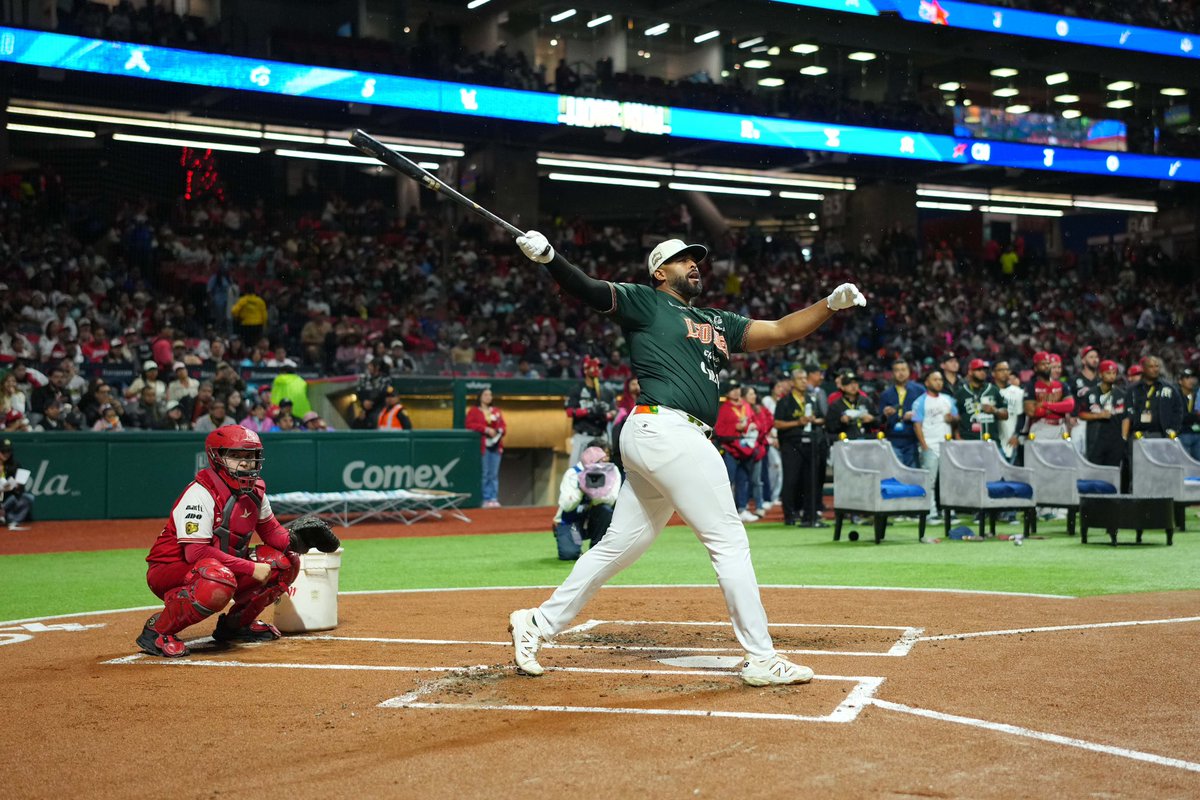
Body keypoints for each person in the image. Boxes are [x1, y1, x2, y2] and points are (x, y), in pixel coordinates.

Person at [507, 231, 865, 686]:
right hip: (666, 428)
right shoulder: (646, 302)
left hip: (658, 435)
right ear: (660, 271)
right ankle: (761, 657)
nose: (694, 264)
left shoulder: (717, 320)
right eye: (682, 260)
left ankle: (537, 622)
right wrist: (551, 258)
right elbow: (589, 288)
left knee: (619, 546)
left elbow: (779, 330)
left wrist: (828, 305)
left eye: (696, 259)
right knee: (728, 541)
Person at [137, 426, 301, 657]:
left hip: (218, 564)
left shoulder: (256, 491)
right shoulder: (200, 494)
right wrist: (251, 567)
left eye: (250, 457)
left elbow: (272, 532)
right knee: (217, 579)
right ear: (217, 457)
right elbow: (196, 553)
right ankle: (157, 631)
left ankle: (236, 626)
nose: (245, 463)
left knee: (285, 562)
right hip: (170, 570)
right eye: (236, 456)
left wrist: (298, 541)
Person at [553, 443, 621, 560]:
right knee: (569, 553)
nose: (603, 462)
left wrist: (594, 493)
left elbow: (611, 500)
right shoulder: (573, 474)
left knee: (606, 511)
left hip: (593, 520)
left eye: (606, 457)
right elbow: (566, 506)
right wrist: (581, 488)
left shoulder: (611, 471)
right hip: (573, 523)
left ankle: (597, 550)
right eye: (599, 460)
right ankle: (574, 543)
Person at [773, 379, 825, 527]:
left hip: (810, 443)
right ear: (792, 383)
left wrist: (814, 420)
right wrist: (798, 422)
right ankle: (789, 515)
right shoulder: (785, 401)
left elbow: (823, 418)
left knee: (810, 480)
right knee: (791, 480)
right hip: (791, 444)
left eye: (805, 379)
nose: (804, 382)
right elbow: (777, 423)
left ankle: (809, 514)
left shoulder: (811, 399)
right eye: (800, 379)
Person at [912, 369, 958, 524]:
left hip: (947, 446)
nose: (939, 382)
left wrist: (952, 418)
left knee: (949, 481)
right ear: (927, 382)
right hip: (930, 446)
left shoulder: (947, 399)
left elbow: (957, 417)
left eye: (940, 380)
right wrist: (924, 445)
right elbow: (917, 425)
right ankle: (930, 513)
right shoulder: (920, 401)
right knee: (929, 482)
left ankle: (949, 513)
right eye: (935, 379)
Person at [715, 381, 760, 522]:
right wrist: (736, 427)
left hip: (746, 449)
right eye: (732, 389)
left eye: (737, 388)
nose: (736, 391)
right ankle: (724, 512)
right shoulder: (724, 409)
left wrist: (753, 426)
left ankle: (743, 509)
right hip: (730, 449)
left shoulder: (746, 407)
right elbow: (718, 430)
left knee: (743, 480)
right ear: (727, 393)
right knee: (728, 482)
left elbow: (756, 422)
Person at [565, 355, 615, 465]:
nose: (598, 369)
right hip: (583, 436)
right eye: (595, 366)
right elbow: (569, 412)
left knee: (604, 470)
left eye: (599, 367)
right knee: (576, 471)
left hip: (601, 436)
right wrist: (589, 410)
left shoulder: (606, 391)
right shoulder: (577, 389)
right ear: (586, 369)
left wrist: (606, 415)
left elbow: (614, 411)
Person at [1078, 360, 1127, 468]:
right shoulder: (1091, 393)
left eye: (1114, 373)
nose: (1111, 376)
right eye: (1108, 373)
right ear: (1101, 374)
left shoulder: (1122, 394)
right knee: (1095, 471)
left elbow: (1126, 418)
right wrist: (1099, 415)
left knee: (1113, 471)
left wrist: (1124, 438)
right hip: (1096, 440)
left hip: (1115, 441)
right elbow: (1081, 414)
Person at [878, 358, 923, 467]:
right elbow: (879, 420)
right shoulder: (886, 394)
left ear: (909, 372)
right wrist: (885, 414)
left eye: (903, 369)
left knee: (913, 474)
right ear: (892, 374)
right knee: (896, 473)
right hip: (893, 439)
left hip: (913, 439)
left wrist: (915, 416)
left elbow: (927, 413)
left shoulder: (919, 390)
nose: (901, 373)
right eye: (897, 370)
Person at [465, 388, 506, 508]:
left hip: (496, 445)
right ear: (480, 397)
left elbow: (503, 426)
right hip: (483, 445)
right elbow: (469, 424)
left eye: (490, 395)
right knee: (485, 473)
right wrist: (486, 429)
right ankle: (485, 498)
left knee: (493, 474)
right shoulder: (474, 411)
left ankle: (493, 498)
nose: (489, 397)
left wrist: (499, 430)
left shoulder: (496, 411)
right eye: (486, 395)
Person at [1126, 356, 1184, 439]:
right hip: (1137, 434)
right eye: (1151, 366)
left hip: (1162, 434)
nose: (1155, 369)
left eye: (1157, 366)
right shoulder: (1133, 389)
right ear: (1144, 369)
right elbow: (1127, 410)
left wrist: (1173, 429)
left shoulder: (1169, 388)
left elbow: (1178, 410)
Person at [954, 358, 1007, 441]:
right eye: (979, 369)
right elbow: (955, 418)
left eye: (984, 370)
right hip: (969, 441)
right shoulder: (961, 393)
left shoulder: (993, 390)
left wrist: (995, 410)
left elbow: (1006, 415)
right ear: (970, 372)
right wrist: (957, 436)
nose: (982, 372)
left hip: (991, 441)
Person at [992, 361, 1026, 464]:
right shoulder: (989, 391)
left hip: (1012, 439)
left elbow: (1021, 417)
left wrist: (1016, 435)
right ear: (993, 373)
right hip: (994, 441)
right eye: (1001, 370)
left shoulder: (1018, 392)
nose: (1005, 372)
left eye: (1007, 370)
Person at [826, 371, 874, 440]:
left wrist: (872, 419)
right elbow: (830, 427)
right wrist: (841, 421)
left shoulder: (866, 401)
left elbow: (878, 421)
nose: (853, 386)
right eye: (849, 383)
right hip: (845, 443)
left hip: (866, 440)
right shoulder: (836, 405)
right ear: (842, 387)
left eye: (855, 382)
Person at [0, 437, 34, 531]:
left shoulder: (14, 465)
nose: (7, 454)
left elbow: (20, 487)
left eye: (8, 451)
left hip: (8, 498)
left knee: (28, 498)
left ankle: (12, 520)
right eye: (3, 451)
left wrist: (18, 486)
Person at [1180, 368, 1200, 461]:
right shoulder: (1177, 396)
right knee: (1185, 463)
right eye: (1187, 378)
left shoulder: (1197, 395)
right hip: (1182, 433)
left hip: (1198, 434)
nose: (1191, 380)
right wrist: (1195, 416)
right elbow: (1179, 416)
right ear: (1180, 381)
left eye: (1192, 377)